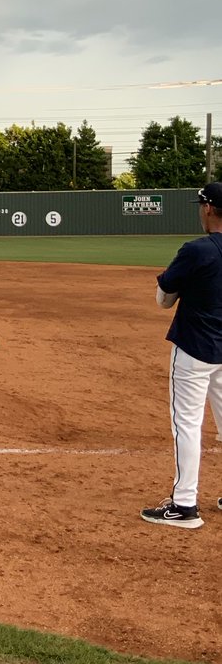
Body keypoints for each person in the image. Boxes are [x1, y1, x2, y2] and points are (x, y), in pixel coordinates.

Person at [141, 182, 222, 529]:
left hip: (195, 348)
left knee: (187, 424)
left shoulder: (197, 250)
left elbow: (163, 298)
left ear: (207, 208)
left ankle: (185, 504)